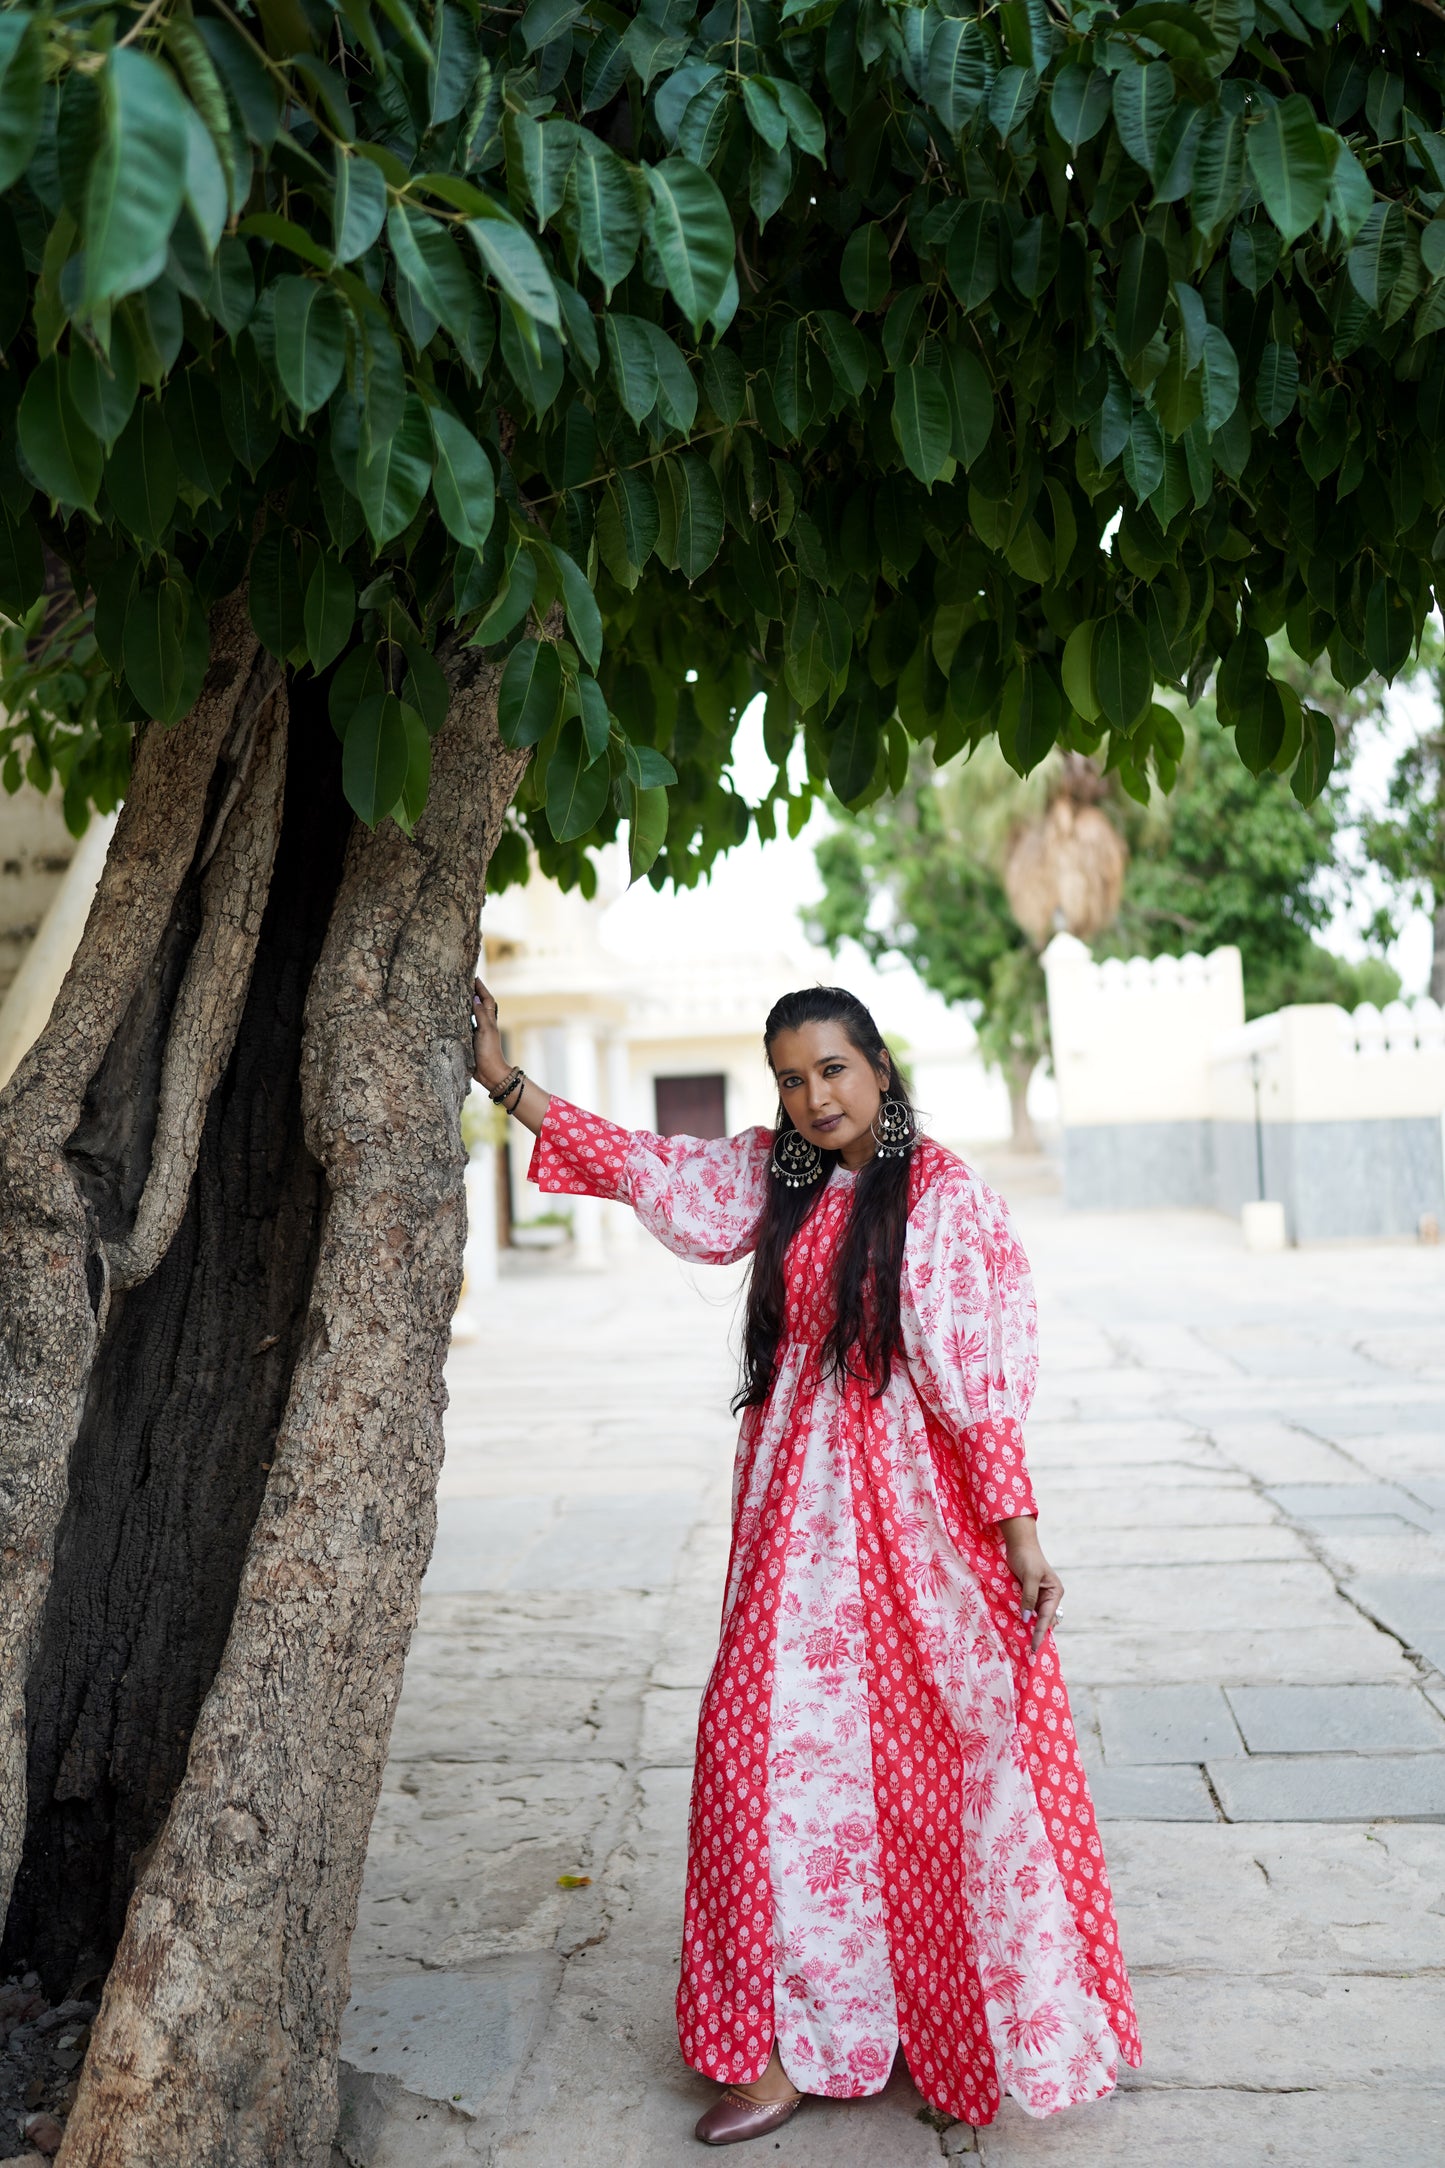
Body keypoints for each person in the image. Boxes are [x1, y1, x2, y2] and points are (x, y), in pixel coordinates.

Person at [471, 979, 1141, 2147]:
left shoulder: (940, 1197)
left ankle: (945, 2026)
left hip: (908, 1540)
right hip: (789, 1528)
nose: (811, 1095)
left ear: (877, 1065)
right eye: (789, 1076)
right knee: (747, 1753)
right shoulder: (777, 1177)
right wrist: (502, 1079)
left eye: (831, 1067)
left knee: (920, 1775)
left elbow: (972, 1376)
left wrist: (1018, 1531)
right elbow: (649, 1167)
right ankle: (773, 2047)